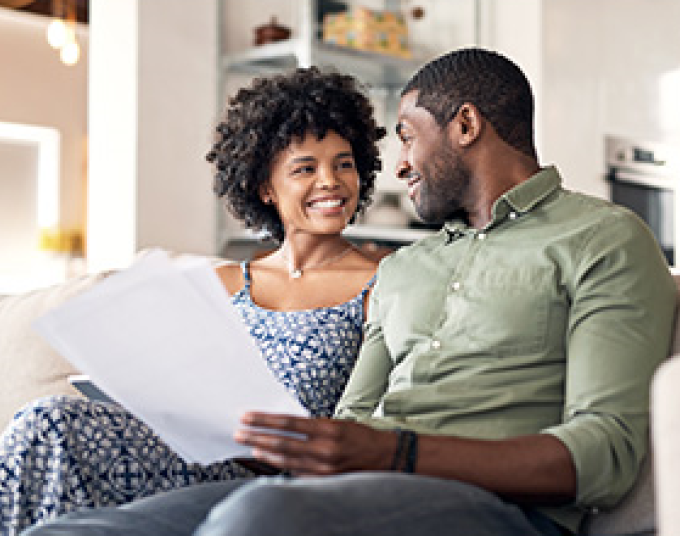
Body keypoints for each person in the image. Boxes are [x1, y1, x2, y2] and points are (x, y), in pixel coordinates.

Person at [22, 47, 677, 536]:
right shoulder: (405, 270)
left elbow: (605, 454)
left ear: (466, 126)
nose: (396, 165)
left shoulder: (604, 239)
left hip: (501, 511)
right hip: (349, 490)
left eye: (407, 137)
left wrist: (393, 452)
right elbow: (352, 426)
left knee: (260, 518)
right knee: (76, 530)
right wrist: (276, 440)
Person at [0, 66, 386, 535]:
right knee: (44, 419)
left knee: (52, 424)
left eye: (343, 164)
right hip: (187, 452)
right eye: (306, 168)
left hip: (270, 474)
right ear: (265, 187)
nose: (330, 181)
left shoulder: (379, 283)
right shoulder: (223, 281)